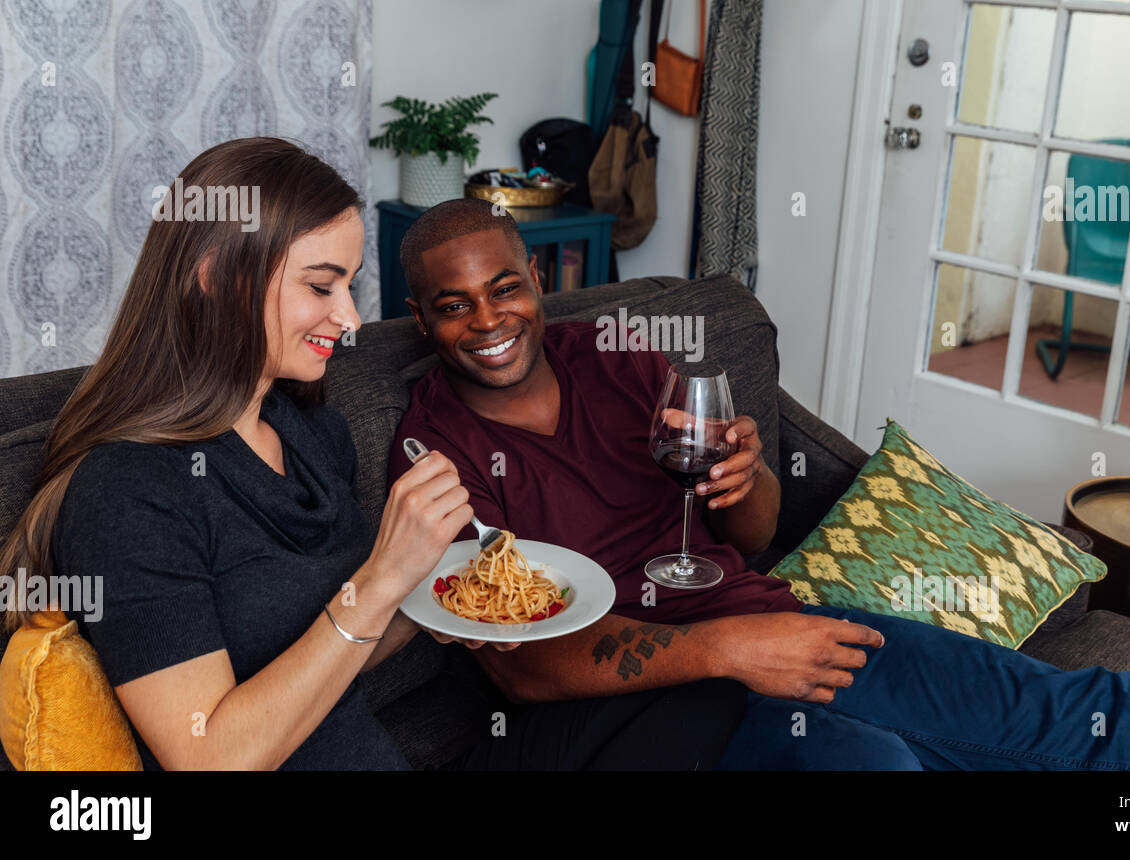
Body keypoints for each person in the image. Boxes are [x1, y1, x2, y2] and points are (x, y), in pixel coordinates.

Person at [389, 197, 1130, 770]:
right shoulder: (433, 449)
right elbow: (527, 671)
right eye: (453, 305)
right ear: (422, 322)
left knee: (1090, 709)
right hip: (630, 707)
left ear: (538, 280)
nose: (488, 321)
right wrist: (733, 650)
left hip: (766, 625)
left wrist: (742, 481)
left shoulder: (617, 356)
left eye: (504, 288)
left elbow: (750, 538)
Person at [0, 139, 746, 771]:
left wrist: (433, 602)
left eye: (350, 287)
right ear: (219, 279)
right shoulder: (129, 491)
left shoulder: (307, 431)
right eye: (321, 286)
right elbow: (210, 755)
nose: (351, 319)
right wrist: (385, 573)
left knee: (719, 709)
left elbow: (338, 644)